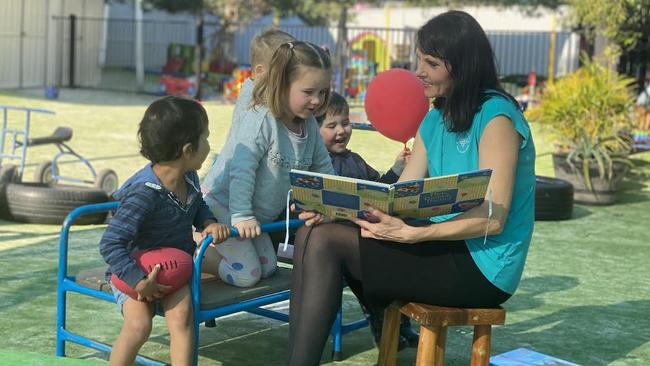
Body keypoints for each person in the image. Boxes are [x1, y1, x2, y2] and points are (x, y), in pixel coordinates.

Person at [287, 10, 536, 365]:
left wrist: (410, 236)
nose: (418, 70)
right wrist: (331, 207)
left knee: (326, 241)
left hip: (482, 267)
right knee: (316, 231)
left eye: (431, 63)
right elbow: (398, 195)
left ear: (462, 66)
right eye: (419, 59)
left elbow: (493, 218)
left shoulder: (496, 117)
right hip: (439, 243)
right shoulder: (435, 117)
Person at [99, 96, 230, 366]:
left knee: (183, 317)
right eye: (206, 138)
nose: (209, 145)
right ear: (188, 150)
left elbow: (198, 206)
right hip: (133, 272)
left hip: (174, 270)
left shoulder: (189, 178)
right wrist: (138, 281)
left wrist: (208, 223)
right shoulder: (144, 194)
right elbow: (111, 243)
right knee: (139, 326)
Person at [201, 41, 335, 288]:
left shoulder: (310, 125)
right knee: (247, 276)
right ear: (283, 85)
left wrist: (328, 204)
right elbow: (242, 169)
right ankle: (197, 256)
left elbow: (323, 169)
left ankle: (217, 250)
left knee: (269, 268)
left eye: (323, 92)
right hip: (222, 206)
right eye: (308, 92)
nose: (317, 100)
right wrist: (241, 215)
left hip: (254, 217)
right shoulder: (264, 119)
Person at [316, 91, 418, 348]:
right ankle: (384, 330)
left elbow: (378, 189)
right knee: (368, 280)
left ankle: (402, 323)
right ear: (314, 129)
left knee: (398, 261)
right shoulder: (319, 165)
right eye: (331, 125)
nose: (341, 130)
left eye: (345, 122)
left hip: (368, 231)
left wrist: (396, 170)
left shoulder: (355, 160)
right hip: (340, 239)